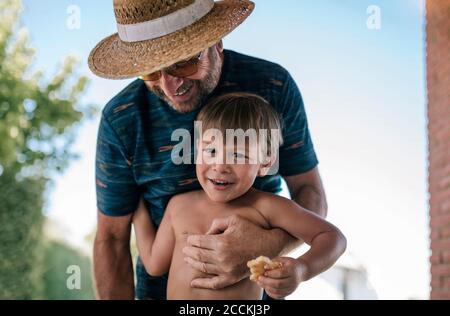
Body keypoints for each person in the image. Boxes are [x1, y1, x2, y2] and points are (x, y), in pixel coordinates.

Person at [90, 0, 328, 300]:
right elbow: (112, 238)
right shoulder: (121, 118)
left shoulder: (273, 86)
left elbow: (309, 192)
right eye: (151, 71)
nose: (168, 85)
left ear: (216, 43)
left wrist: (268, 246)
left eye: (184, 62)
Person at [132, 93, 346, 300]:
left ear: (265, 163)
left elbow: (333, 238)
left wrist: (302, 269)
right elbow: (153, 264)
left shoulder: (267, 207)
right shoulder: (178, 206)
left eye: (237, 155)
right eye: (211, 151)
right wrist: (137, 210)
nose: (220, 166)